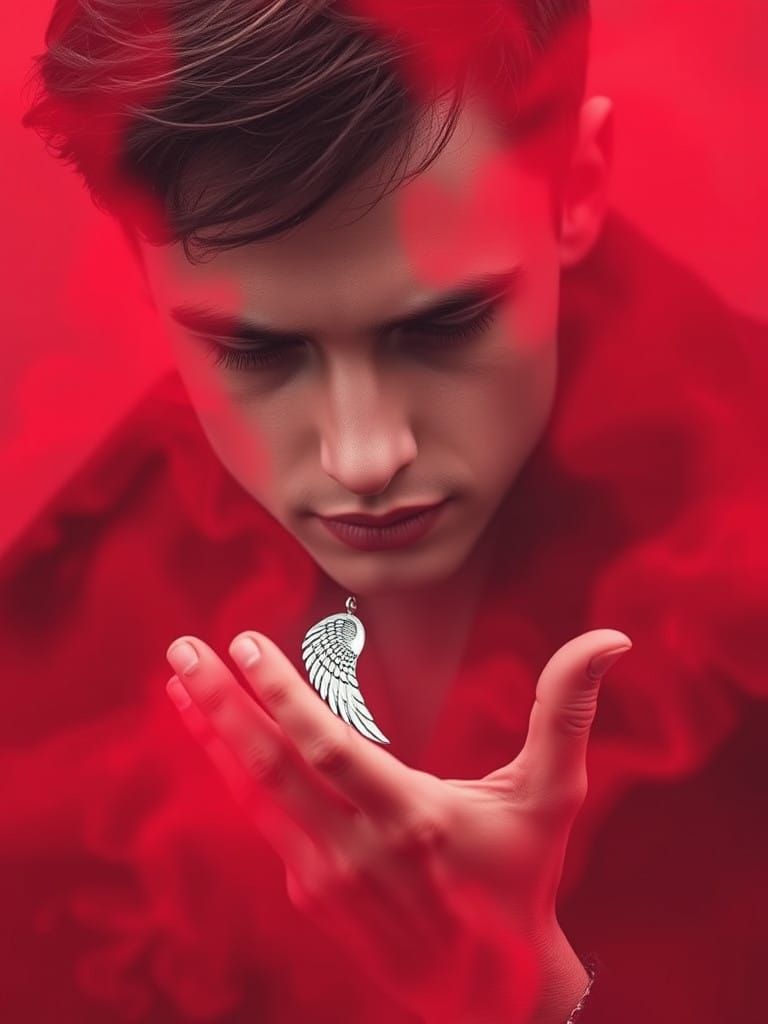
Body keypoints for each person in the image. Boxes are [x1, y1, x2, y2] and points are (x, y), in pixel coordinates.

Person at [6, 1, 766, 1021]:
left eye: (444, 324)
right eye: (260, 351)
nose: (365, 456)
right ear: (137, 264)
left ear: (577, 189)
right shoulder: (42, 665)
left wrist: (537, 997)